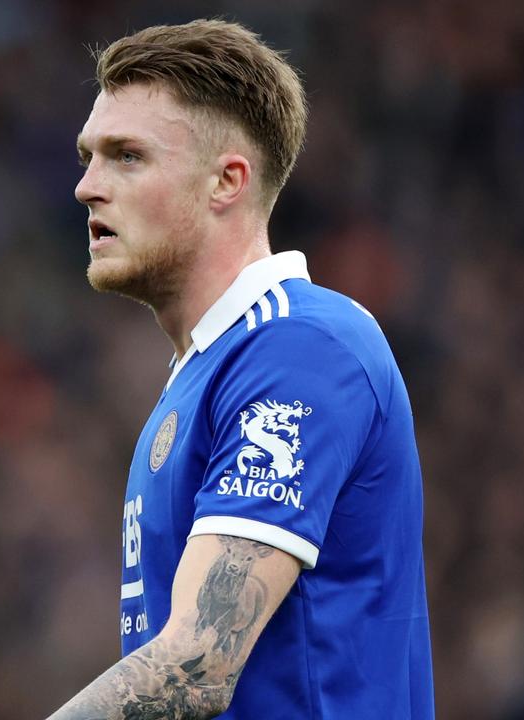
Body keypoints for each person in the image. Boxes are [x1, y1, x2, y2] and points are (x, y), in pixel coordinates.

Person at [49, 19, 434, 720]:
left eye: (126, 156)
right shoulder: (204, 372)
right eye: (87, 156)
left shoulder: (302, 347)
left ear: (227, 181)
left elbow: (198, 665)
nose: (87, 187)